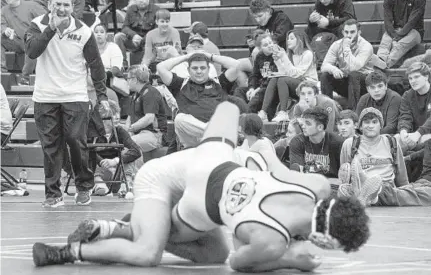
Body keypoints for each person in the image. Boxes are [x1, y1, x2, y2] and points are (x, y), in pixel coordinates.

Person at [33, 102, 370, 273]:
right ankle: (68, 252)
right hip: (188, 196)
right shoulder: (271, 242)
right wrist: (292, 261)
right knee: (149, 252)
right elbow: (240, 261)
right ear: (324, 239)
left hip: (213, 159)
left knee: (229, 108)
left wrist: (261, 153)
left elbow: (273, 163)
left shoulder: (315, 187)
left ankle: (119, 226)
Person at [25, 0, 110, 207]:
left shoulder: (84, 30)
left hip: (76, 95)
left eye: (66, 5)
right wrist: (51, 28)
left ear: (72, 7)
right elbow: (32, 51)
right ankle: (53, 195)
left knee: (75, 140)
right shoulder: (37, 25)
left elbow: (96, 65)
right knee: (51, 147)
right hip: (45, 97)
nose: (62, 9)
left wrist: (101, 96)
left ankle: (84, 186)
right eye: (58, 4)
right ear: (50, 5)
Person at [338, 107, 431, 207]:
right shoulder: (350, 144)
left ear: (381, 125)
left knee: (426, 190)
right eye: (366, 122)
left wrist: (407, 191)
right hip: (359, 188)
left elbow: (402, 178)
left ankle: (375, 195)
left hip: (388, 189)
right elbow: (345, 173)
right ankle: (366, 187)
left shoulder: (391, 142)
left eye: (374, 122)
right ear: (360, 126)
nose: (370, 126)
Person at [157, 51, 238, 148]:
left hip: (217, 128)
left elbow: (236, 65)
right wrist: (186, 57)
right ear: (188, 70)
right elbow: (161, 67)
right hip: (193, 138)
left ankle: (212, 133)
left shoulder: (219, 82)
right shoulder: (180, 84)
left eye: (203, 68)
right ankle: (213, 133)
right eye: (195, 68)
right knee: (179, 119)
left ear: (208, 69)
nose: (199, 71)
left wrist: (210, 56)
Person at [320, 19, 374, 110]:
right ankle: (327, 108)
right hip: (348, 83)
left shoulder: (366, 46)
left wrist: (346, 48)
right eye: (346, 32)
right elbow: (324, 66)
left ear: (359, 32)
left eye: (352, 32)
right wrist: (334, 69)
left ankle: (352, 111)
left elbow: (354, 67)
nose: (349, 35)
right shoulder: (336, 44)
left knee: (354, 75)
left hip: (365, 85)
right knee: (325, 75)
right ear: (342, 32)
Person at [91, 100, 142, 197]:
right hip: (100, 172)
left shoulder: (120, 131)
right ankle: (99, 186)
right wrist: (103, 162)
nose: (118, 117)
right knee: (87, 153)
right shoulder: (92, 132)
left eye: (118, 113)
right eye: (113, 114)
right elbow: (85, 151)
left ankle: (126, 185)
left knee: (129, 151)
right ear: (102, 118)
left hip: (118, 173)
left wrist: (115, 161)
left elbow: (136, 151)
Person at [267, 30, 318, 122]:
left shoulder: (308, 54)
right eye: (287, 39)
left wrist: (284, 57)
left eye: (291, 38)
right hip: (296, 83)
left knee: (282, 80)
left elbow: (296, 74)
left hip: (309, 84)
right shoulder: (290, 54)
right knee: (274, 80)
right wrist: (278, 60)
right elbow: (284, 72)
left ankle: (283, 112)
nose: (288, 41)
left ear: (300, 40)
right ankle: (263, 112)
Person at [1, 0, 46, 85]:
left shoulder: (31, 5)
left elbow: (46, 19)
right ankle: (2, 72)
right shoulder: (3, 10)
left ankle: (25, 77)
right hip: (17, 41)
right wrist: (5, 30)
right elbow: (1, 25)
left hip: (33, 41)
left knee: (32, 41)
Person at [374, 0, 426, 69]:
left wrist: (397, 38)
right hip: (395, 30)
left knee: (399, 45)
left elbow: (412, 22)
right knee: (385, 43)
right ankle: (380, 61)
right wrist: (394, 36)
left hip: (414, 31)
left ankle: (384, 66)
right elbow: (388, 22)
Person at [290, 106, 344, 180]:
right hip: (307, 184)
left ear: (320, 127)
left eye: (308, 123)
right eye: (303, 123)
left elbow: (342, 176)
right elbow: (298, 173)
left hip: (331, 185)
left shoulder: (337, 142)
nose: (303, 126)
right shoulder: (297, 141)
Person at [125, 65, 168, 153]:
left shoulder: (151, 93)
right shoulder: (135, 95)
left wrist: (130, 129)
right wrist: (127, 132)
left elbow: (149, 118)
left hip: (154, 135)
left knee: (127, 144)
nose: (127, 81)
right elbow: (129, 117)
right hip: (138, 133)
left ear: (135, 80)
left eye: (128, 78)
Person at [114, 0, 159, 68]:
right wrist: (133, 35)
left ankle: (146, 67)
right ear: (135, 0)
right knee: (118, 37)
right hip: (134, 41)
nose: (141, 0)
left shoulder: (156, 10)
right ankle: (123, 65)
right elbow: (124, 27)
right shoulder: (131, 9)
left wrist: (144, 39)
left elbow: (157, 29)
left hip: (149, 43)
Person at [396, 62, 431, 153]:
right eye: (410, 78)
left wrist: (418, 133)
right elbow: (405, 116)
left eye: (416, 77)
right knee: (396, 139)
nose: (413, 81)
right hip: (415, 135)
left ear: (426, 76)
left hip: (423, 134)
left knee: (426, 139)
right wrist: (403, 131)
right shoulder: (407, 95)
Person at [356, 71, 402, 135]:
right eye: (372, 87)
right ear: (367, 89)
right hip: (367, 137)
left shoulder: (394, 98)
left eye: (380, 86)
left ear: (386, 86)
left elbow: (391, 127)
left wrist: (370, 136)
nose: (376, 90)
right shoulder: (363, 99)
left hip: (387, 137)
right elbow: (357, 123)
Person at [141, 9, 182, 73]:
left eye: (167, 21)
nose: (165, 24)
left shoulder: (174, 32)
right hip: (158, 62)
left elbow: (177, 51)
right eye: (162, 21)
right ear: (157, 22)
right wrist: (144, 66)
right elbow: (147, 55)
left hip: (173, 62)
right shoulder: (150, 34)